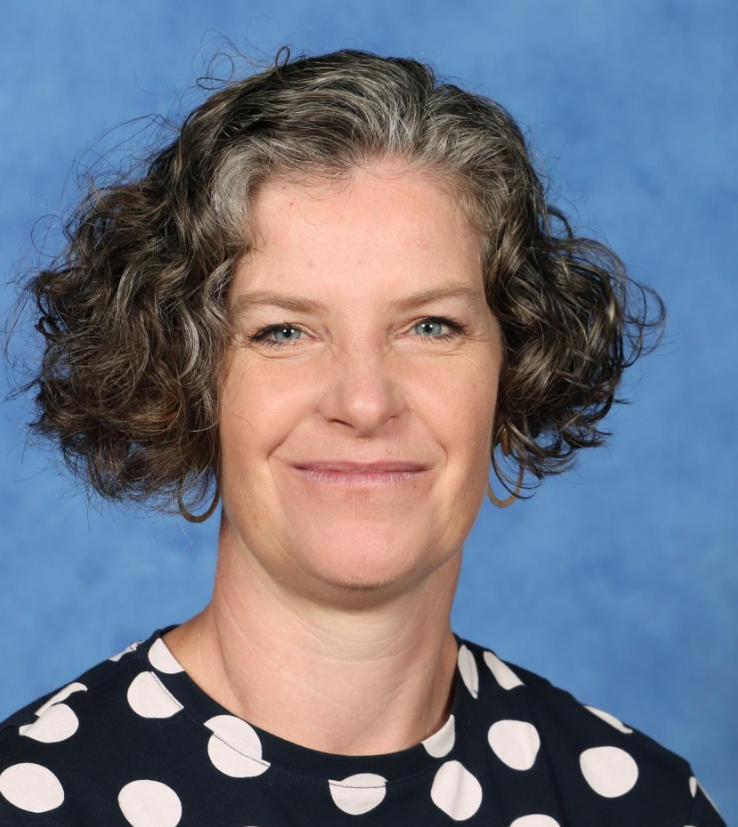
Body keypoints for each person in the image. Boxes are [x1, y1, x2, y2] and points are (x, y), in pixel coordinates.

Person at [0, 48, 724, 826]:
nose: (366, 401)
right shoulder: (30, 800)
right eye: (283, 330)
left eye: (430, 325)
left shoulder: (646, 806)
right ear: (182, 377)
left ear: (513, 367)